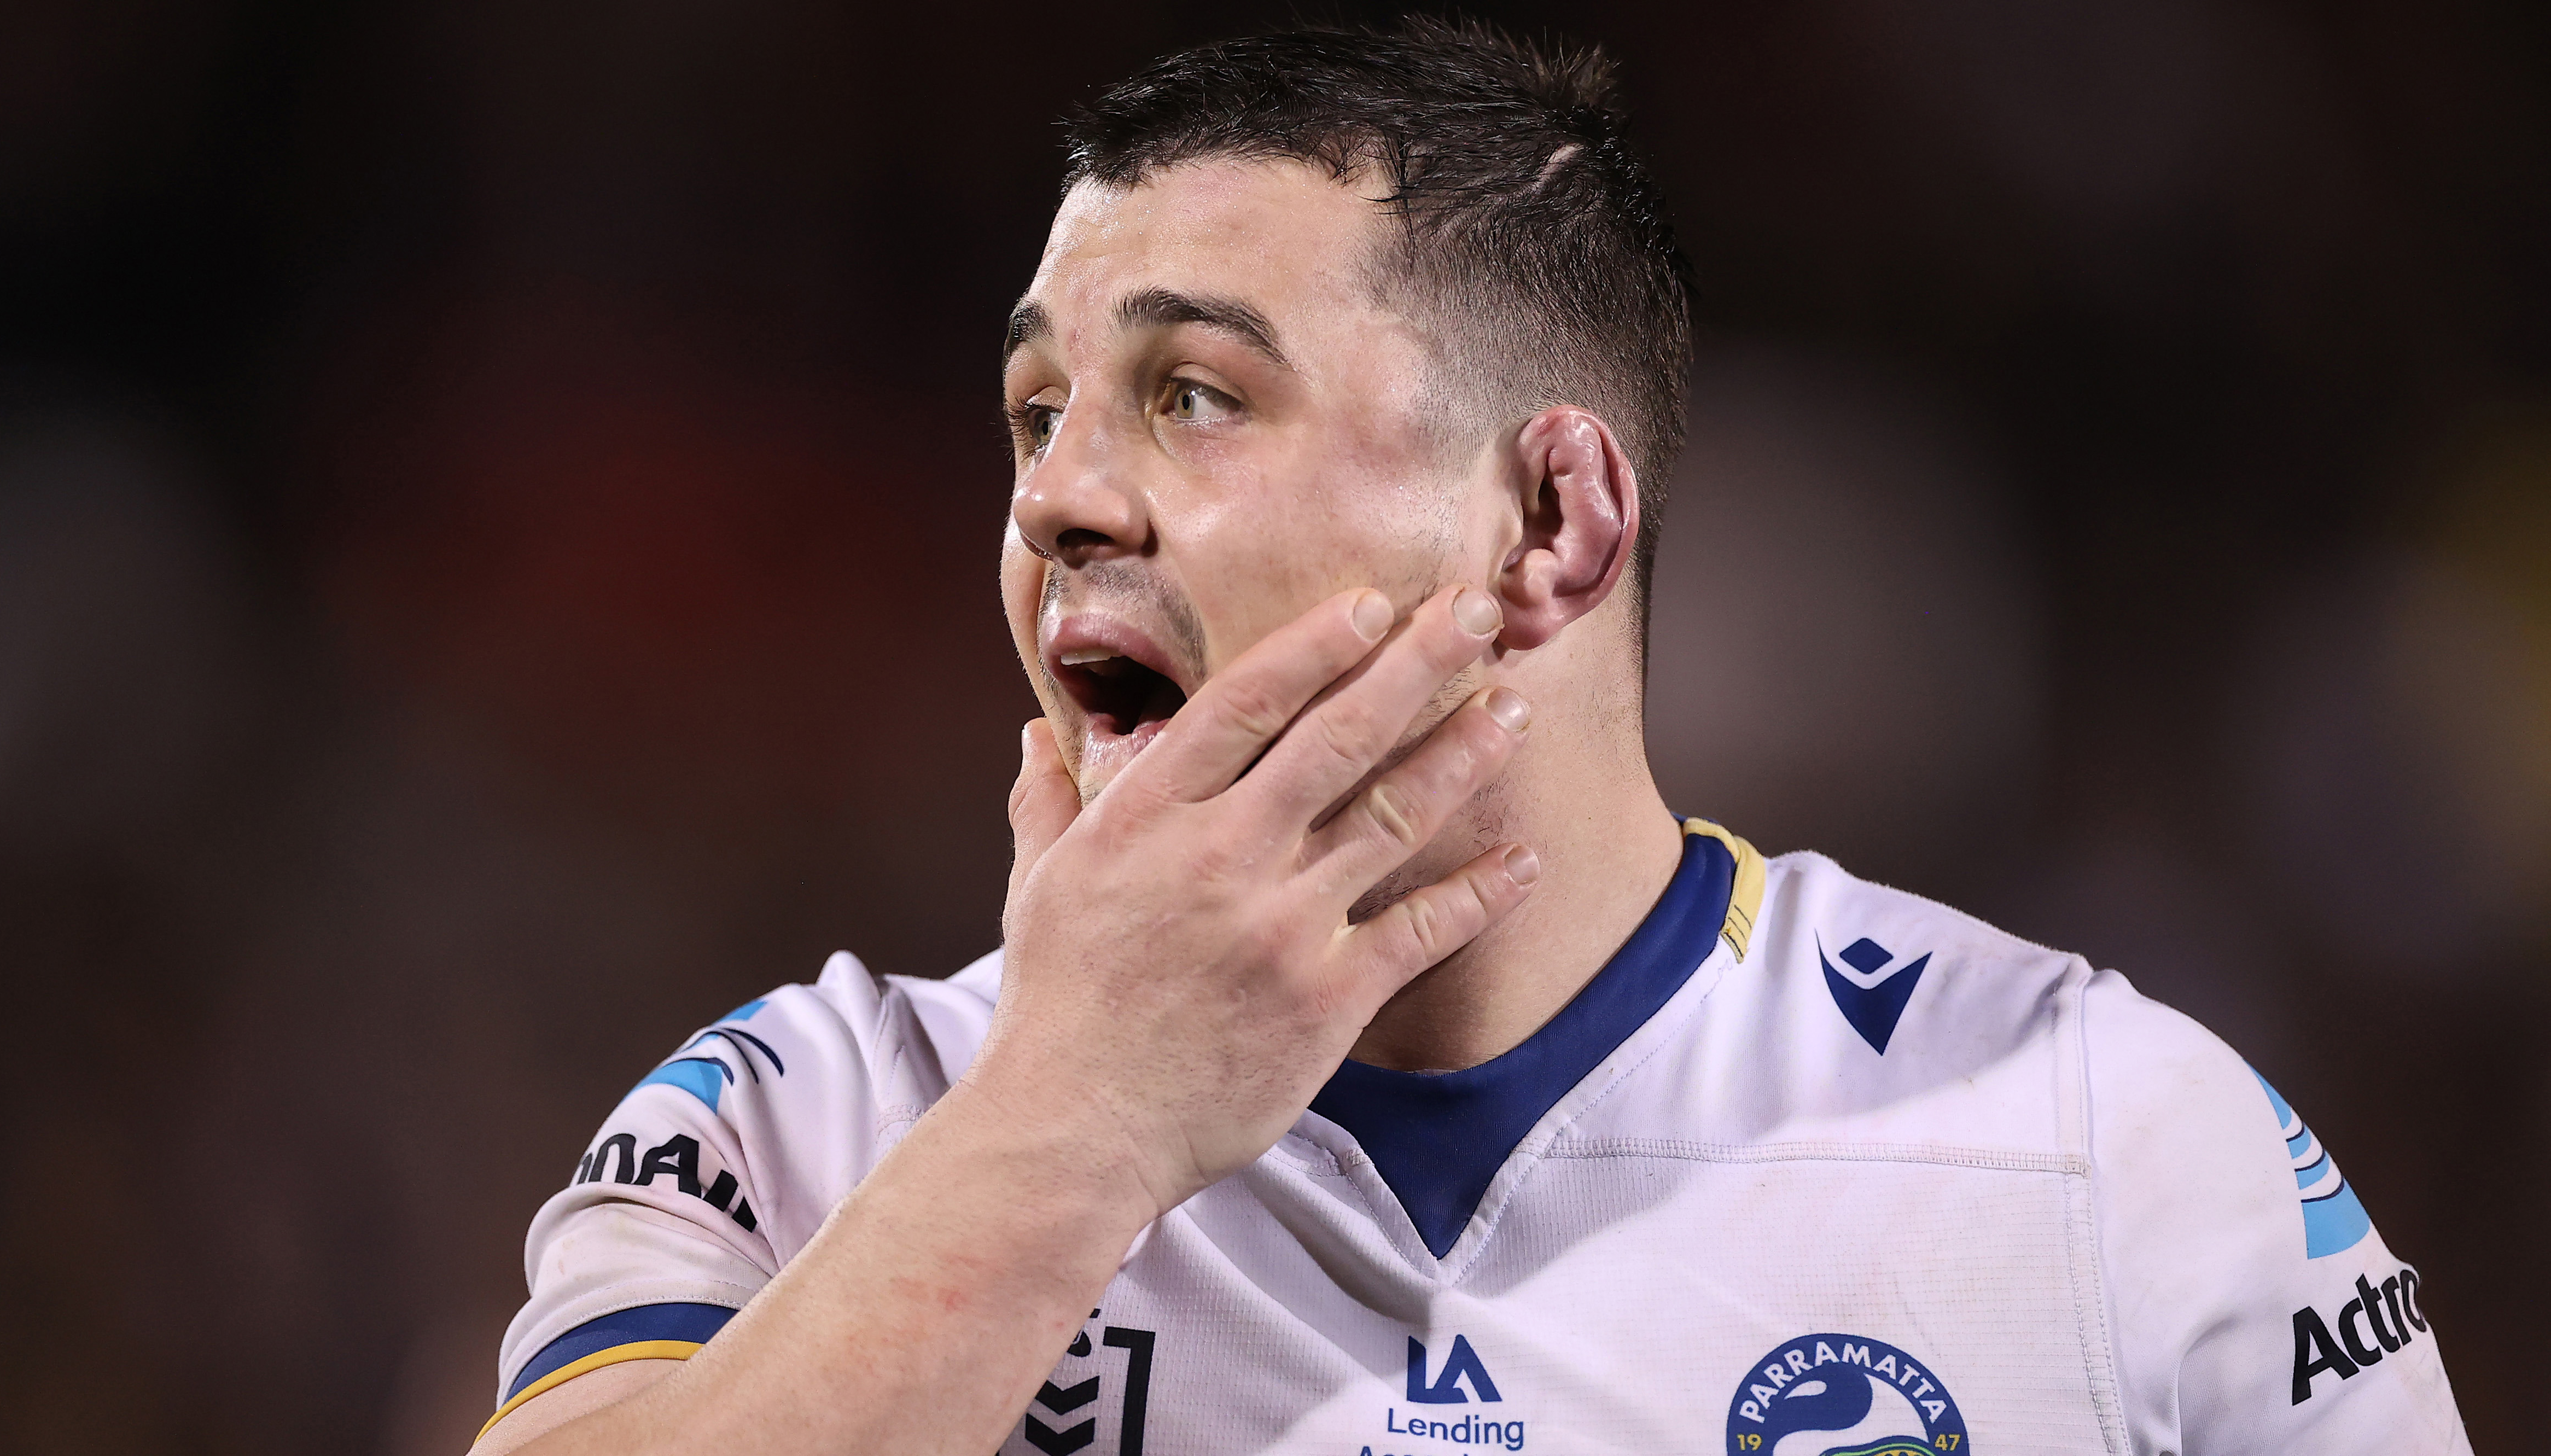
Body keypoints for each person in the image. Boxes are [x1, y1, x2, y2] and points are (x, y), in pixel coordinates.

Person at [469, 20, 2468, 1456]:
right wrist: (1071, 1124)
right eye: (1033, 411)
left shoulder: (2098, 1148)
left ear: (1552, 526)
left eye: (1192, 396)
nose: (1061, 497)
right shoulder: (810, 1123)